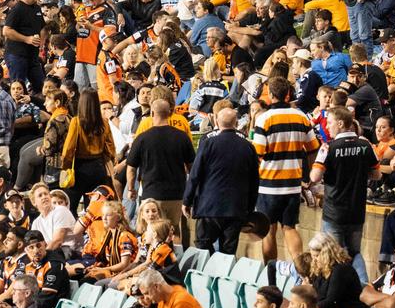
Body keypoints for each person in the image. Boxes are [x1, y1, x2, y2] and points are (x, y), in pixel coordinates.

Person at [252, 77, 320, 266]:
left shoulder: (264, 118)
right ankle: (300, 270)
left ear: (271, 95)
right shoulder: (301, 116)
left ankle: (271, 274)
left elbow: (258, 153)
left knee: (268, 231)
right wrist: (307, 177)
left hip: (268, 186)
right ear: (288, 94)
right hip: (292, 184)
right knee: (290, 228)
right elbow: (313, 149)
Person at [309, 106, 381, 282]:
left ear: (341, 123)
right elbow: (377, 175)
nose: (327, 127)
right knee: (355, 253)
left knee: (334, 255)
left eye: (330, 123)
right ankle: (364, 286)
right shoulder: (365, 145)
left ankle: (338, 292)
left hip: (334, 212)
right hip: (356, 211)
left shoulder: (329, 148)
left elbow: (315, 177)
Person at [183, 107, 259, 255]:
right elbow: (254, 181)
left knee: (202, 246)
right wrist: (249, 209)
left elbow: (195, 174)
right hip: (236, 208)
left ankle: (209, 273)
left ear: (217, 121)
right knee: (228, 252)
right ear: (236, 123)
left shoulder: (208, 143)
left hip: (209, 207)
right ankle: (222, 276)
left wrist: (187, 201)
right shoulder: (248, 146)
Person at [127, 98, 194, 244]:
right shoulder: (181, 137)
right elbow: (191, 168)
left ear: (152, 113)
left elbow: (131, 167)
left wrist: (131, 188)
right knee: (174, 230)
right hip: (177, 195)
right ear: (170, 113)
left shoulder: (142, 138)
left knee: (152, 232)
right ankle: (175, 259)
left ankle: (154, 262)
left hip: (152, 195)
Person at [62, 89, 116, 213]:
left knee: (69, 207)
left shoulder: (76, 122)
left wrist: (66, 168)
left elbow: (68, 150)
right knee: (94, 210)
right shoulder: (104, 123)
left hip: (80, 169)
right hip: (98, 168)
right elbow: (111, 148)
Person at [135, 269, 213, 308]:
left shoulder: (180, 301)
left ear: (156, 287)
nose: (146, 298)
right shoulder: (162, 299)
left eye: (147, 293)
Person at [2, 0, 46, 92]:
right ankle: (18, 109)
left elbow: (43, 28)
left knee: (42, 87)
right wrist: (27, 39)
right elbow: (6, 31)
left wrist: (42, 43)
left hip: (33, 56)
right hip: (17, 55)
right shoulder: (17, 10)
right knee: (18, 88)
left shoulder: (37, 8)